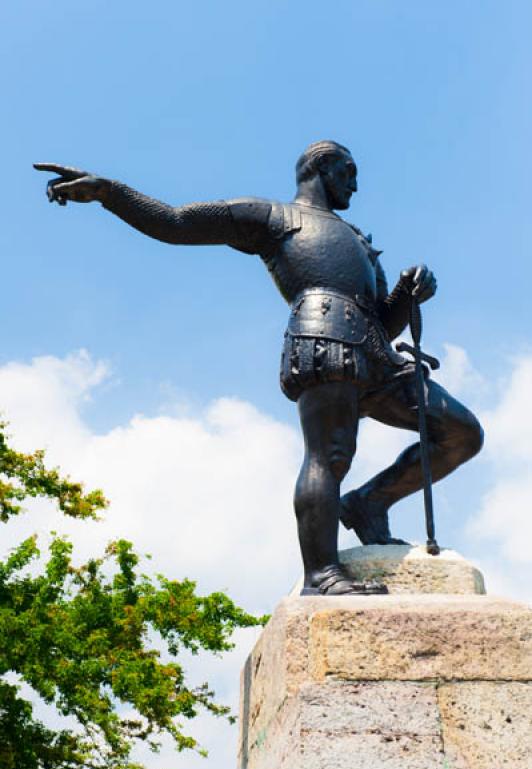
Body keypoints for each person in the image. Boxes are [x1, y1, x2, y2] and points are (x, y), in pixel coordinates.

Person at [34, 140, 483, 596]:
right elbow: (175, 222)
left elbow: (384, 324)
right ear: (322, 167)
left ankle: (369, 504)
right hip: (324, 337)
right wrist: (109, 192)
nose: (356, 182)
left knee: (462, 432)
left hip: (375, 355)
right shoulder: (274, 218)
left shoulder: (359, 241)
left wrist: (408, 293)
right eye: (348, 170)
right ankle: (323, 574)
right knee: (331, 456)